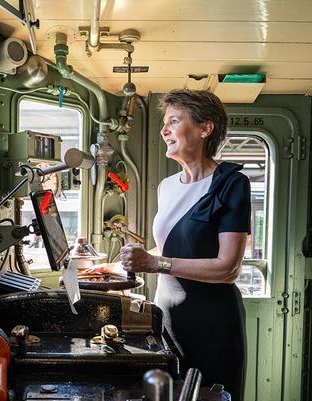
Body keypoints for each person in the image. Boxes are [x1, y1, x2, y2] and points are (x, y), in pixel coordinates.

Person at [94, 89, 250, 401]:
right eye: (164, 122)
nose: (164, 130)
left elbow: (227, 268)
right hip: (166, 320)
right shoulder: (167, 187)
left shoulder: (231, 183)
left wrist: (154, 264)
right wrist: (114, 267)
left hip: (213, 326)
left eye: (174, 121)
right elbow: (166, 248)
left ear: (205, 129)